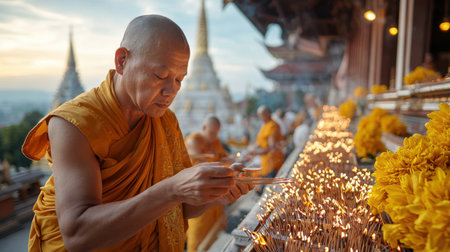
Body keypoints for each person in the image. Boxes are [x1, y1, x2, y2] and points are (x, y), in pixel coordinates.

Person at [22, 15, 252, 252]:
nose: (170, 91)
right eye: (160, 76)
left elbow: (180, 206)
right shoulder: (73, 124)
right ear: (122, 61)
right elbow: (78, 234)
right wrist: (172, 189)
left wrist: (215, 193)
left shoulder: (164, 121)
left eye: (179, 80)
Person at [184, 115, 229, 252]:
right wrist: (225, 165)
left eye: (216, 133)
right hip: (198, 196)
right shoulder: (194, 141)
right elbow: (202, 169)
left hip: (215, 194)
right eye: (211, 133)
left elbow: (223, 157)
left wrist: (232, 160)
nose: (214, 136)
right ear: (204, 128)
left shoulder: (215, 142)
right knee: (197, 239)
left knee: (211, 237)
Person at [248, 106, 284, 178]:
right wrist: (251, 149)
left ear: (267, 114)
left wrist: (256, 153)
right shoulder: (264, 125)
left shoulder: (273, 126)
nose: (260, 118)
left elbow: (271, 147)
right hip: (265, 163)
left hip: (272, 163)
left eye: (261, 115)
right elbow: (260, 141)